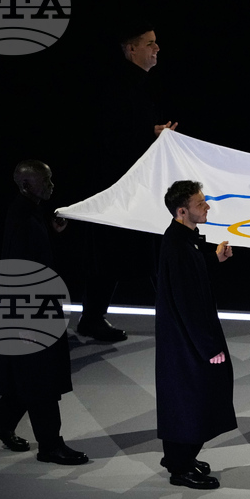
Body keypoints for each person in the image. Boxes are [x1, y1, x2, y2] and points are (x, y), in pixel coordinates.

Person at [0, 161, 89, 466]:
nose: (51, 185)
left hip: (33, 309)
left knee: (31, 377)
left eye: (51, 178)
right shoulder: (21, 217)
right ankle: (50, 446)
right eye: (46, 180)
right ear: (27, 185)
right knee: (42, 381)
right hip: (30, 313)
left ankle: (1, 423)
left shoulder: (29, 212)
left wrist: (53, 234)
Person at [77, 22, 179, 343]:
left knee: (142, 253)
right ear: (131, 48)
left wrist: (154, 134)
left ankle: (94, 317)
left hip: (134, 184)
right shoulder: (117, 86)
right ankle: (93, 318)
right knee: (119, 255)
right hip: (118, 185)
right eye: (150, 43)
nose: (157, 48)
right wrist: (151, 134)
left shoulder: (135, 85)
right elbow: (108, 137)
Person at [155, 181, 237, 489]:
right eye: (201, 204)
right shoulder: (178, 247)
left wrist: (214, 259)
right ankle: (180, 466)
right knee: (193, 399)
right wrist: (208, 346)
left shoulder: (184, 241)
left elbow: (193, 273)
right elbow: (188, 302)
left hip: (185, 339)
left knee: (189, 398)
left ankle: (180, 458)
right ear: (182, 211)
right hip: (188, 342)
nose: (207, 207)